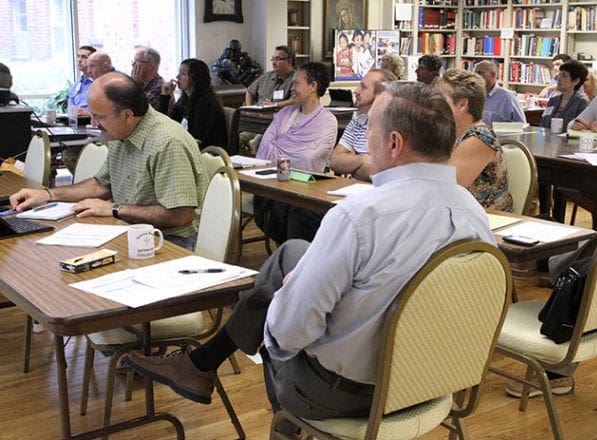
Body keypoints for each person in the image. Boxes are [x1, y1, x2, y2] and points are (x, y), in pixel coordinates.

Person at [125, 82, 495, 421]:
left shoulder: (358, 217)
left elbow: (286, 335)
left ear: (394, 143)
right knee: (295, 253)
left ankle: (217, 375)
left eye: (370, 129)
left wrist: (290, 294)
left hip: (349, 395)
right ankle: (200, 365)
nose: (365, 136)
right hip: (431, 384)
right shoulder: (475, 216)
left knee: (277, 313)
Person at [9, 73, 209, 251]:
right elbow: (101, 185)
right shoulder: (121, 132)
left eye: (99, 117)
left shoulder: (167, 142)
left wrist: (115, 209)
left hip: (170, 242)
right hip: (131, 230)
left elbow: (180, 215)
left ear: (127, 115)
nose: (94, 124)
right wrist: (47, 195)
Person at [254, 62, 338, 245]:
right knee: (260, 206)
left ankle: (294, 258)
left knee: (296, 217)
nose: (291, 88)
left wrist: (280, 148)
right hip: (273, 181)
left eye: (296, 83)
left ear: (313, 86)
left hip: (307, 186)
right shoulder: (286, 112)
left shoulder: (327, 121)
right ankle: (287, 253)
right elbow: (266, 142)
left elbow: (309, 157)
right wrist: (285, 151)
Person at [437, 68, 513, 211]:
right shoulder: (452, 133)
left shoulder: (481, 138)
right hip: (458, 216)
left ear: (462, 105)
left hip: (484, 221)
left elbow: (446, 188)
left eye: (441, 100)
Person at [329, 69, 397, 181]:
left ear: (381, 94)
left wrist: (351, 162)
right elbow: (335, 161)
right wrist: (363, 160)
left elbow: (384, 174)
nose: (356, 91)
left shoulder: (396, 126)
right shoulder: (357, 122)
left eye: (363, 87)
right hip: (352, 192)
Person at [160, 59, 227, 149]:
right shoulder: (185, 100)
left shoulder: (206, 102)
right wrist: (165, 96)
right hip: (188, 147)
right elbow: (166, 125)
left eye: (183, 74)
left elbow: (198, 138)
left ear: (196, 78)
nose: (177, 77)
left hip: (207, 153)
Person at [540, 60, 590, 133]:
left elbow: (581, 130)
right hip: (548, 140)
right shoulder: (553, 100)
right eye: (559, 74)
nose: (558, 78)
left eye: (563, 75)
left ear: (576, 81)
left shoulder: (582, 102)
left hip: (568, 143)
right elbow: (543, 123)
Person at [475, 61, 527, 127]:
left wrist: (498, 128)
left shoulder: (507, 97)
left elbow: (522, 125)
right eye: (475, 73)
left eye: (480, 73)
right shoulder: (473, 95)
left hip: (499, 136)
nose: (475, 76)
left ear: (493, 75)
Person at [131, 47, 165, 112]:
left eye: (136, 61)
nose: (133, 64)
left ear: (150, 66)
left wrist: (134, 85)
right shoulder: (142, 83)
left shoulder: (159, 87)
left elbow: (138, 110)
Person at [68, 45, 96, 113]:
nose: (79, 60)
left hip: (93, 121)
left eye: (84, 57)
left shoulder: (100, 84)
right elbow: (70, 109)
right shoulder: (75, 86)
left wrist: (88, 113)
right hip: (76, 121)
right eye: (78, 56)